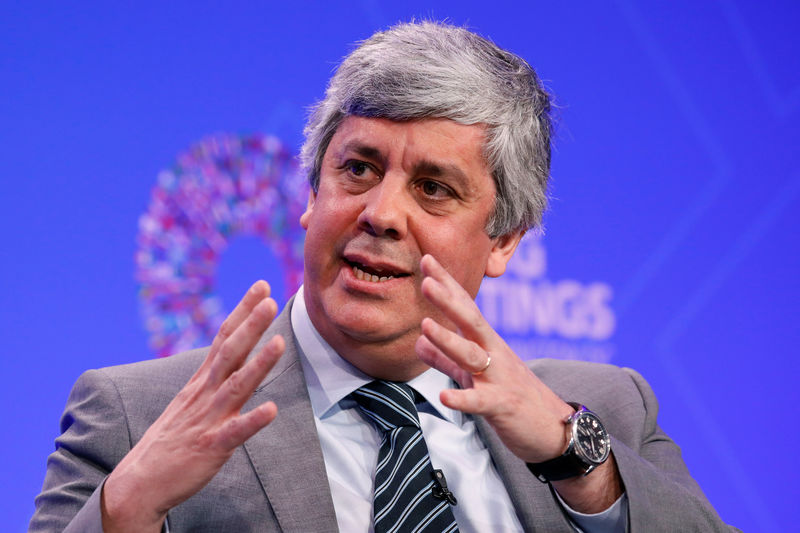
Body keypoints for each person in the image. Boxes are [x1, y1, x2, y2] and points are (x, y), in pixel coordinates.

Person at [30, 21, 736, 532]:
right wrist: (124, 514)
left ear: (505, 241)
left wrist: (575, 459)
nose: (381, 213)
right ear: (311, 196)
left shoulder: (602, 412)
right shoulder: (137, 414)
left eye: (433, 187)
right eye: (359, 168)